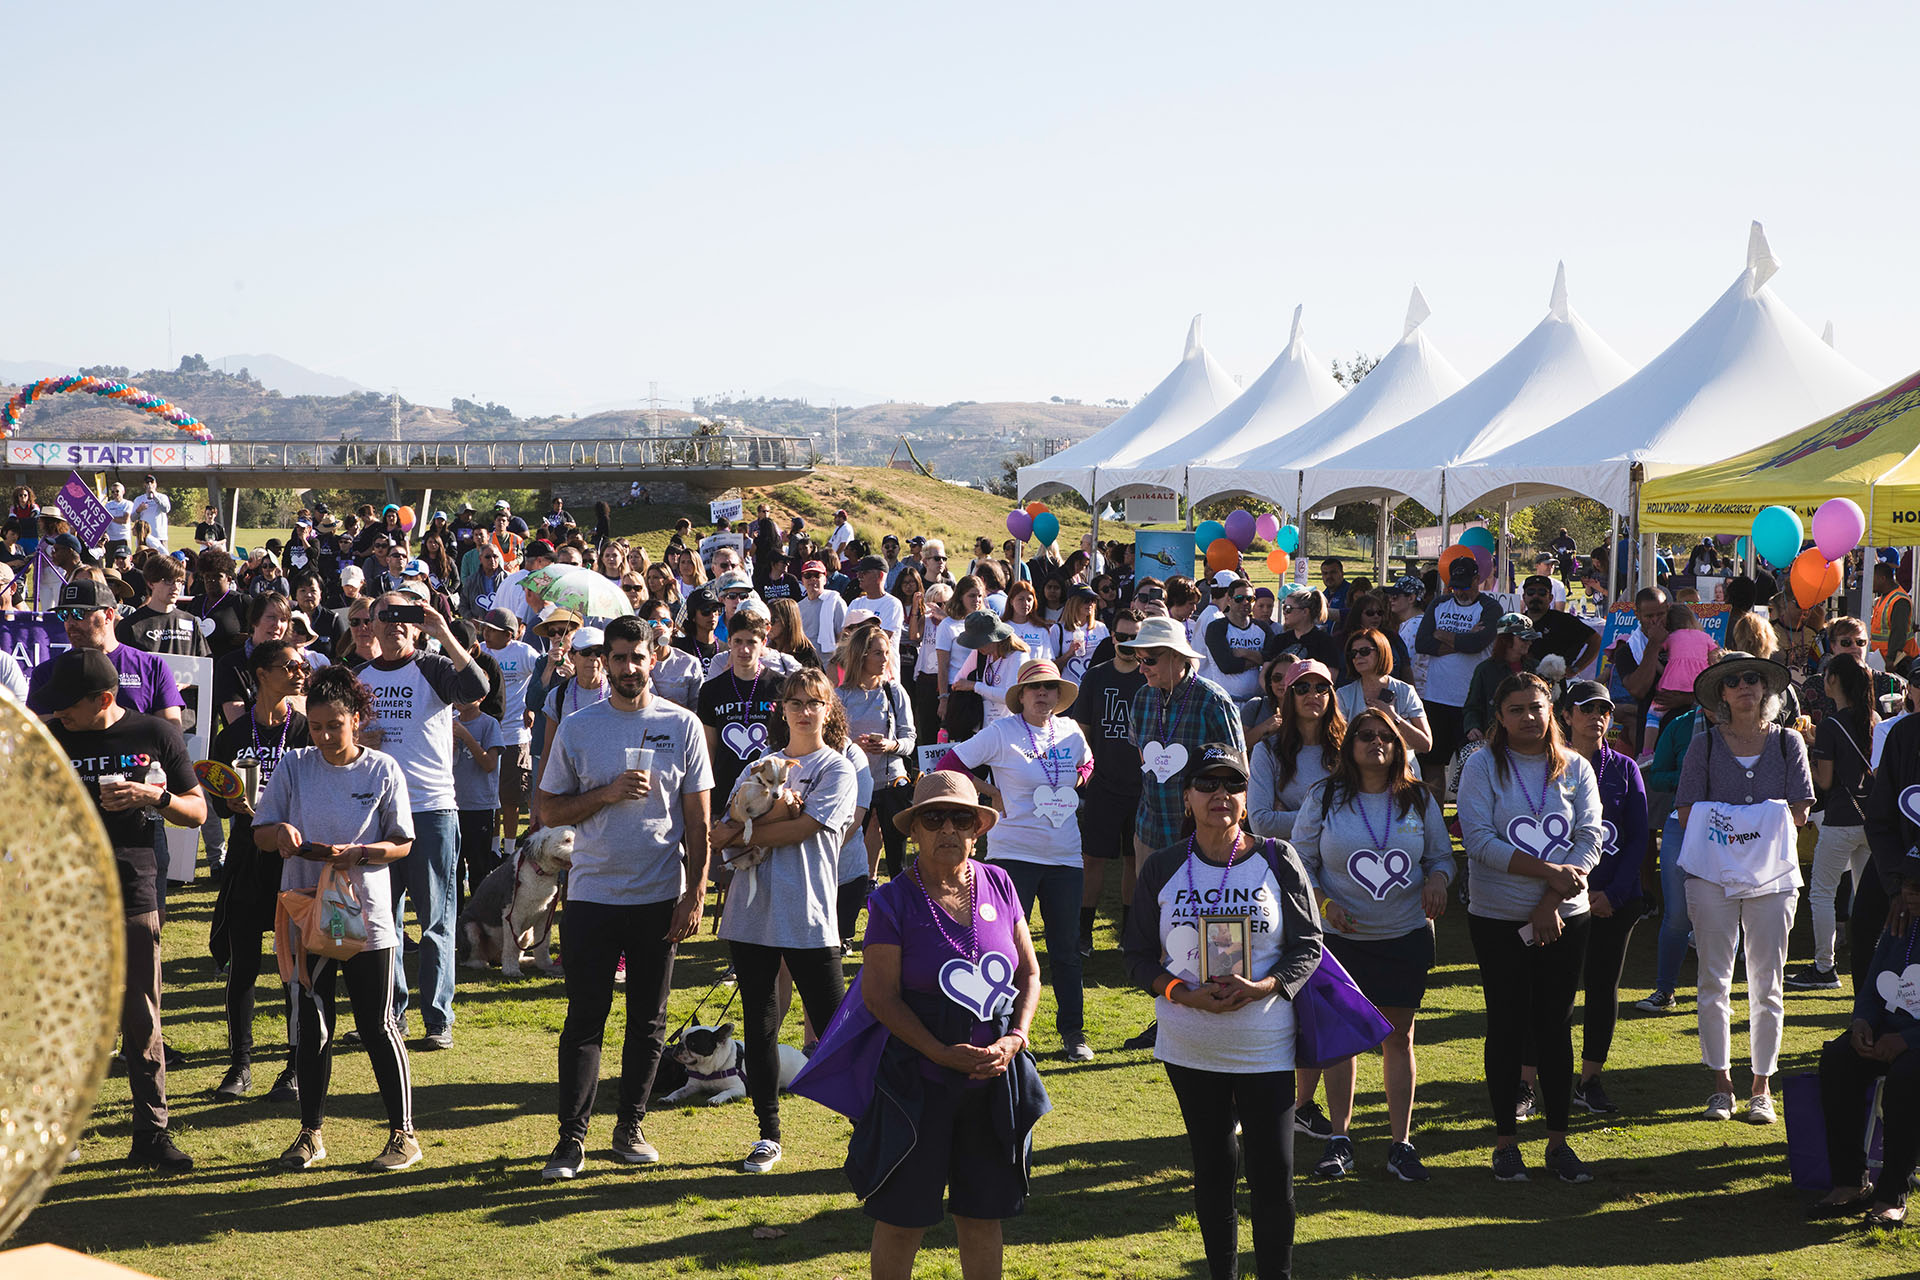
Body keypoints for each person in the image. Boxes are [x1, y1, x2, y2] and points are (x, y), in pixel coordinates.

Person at [1122, 742, 1321, 1280]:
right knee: (1214, 1169)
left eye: (1232, 784)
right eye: (1207, 784)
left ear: (1246, 796)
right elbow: (1136, 955)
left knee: (1273, 1171)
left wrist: (1264, 987)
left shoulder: (1278, 859)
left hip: (1266, 1043)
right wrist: (1179, 993)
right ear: (1186, 796)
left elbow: (1309, 945)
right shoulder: (1164, 865)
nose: (1220, 795)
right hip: (1190, 1045)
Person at [851, 771, 1047, 1280]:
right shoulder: (892, 899)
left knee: (983, 1216)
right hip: (915, 1082)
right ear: (914, 829)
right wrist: (938, 1051)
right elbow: (880, 996)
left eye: (961, 818)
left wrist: (1016, 1038)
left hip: (993, 1080)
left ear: (977, 829)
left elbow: (1029, 972)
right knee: (901, 1219)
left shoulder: (1000, 883)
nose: (948, 830)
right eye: (933, 818)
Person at [537, 616, 713, 1178]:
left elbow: (699, 821)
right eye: (618, 658)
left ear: (653, 658)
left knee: (648, 1021)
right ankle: (570, 1140)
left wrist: (696, 893)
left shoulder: (682, 725)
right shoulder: (579, 726)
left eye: (638, 657)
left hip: (660, 896)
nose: (629, 667)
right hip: (591, 895)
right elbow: (547, 810)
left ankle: (630, 1126)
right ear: (603, 662)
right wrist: (607, 794)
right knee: (585, 1019)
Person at [45, 647, 209, 1171]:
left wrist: (150, 797)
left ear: (105, 699)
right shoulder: (51, 737)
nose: (60, 713)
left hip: (133, 885)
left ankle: (152, 1134)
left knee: (140, 1014)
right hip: (64, 893)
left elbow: (198, 812)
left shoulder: (155, 735)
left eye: (69, 706)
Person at [252, 665, 420, 1172]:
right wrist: (280, 832)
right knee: (311, 1028)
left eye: (336, 726)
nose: (325, 736)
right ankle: (311, 1134)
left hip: (368, 920)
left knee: (377, 1026)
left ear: (356, 719)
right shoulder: (294, 766)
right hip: (306, 914)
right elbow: (260, 833)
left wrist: (365, 853)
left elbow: (403, 842)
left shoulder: (383, 770)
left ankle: (403, 1135)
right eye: (317, 725)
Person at [1289, 710, 1453, 1181]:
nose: (1376, 743)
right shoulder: (1324, 797)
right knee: (1343, 1042)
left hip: (1404, 935)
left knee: (1398, 1038)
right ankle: (1340, 1138)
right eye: (1365, 735)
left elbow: (1441, 856)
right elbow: (1299, 860)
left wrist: (1438, 881)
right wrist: (1322, 902)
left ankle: (1400, 1143)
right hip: (1343, 939)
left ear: (1399, 745)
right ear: (1349, 744)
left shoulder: (1418, 798)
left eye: (1386, 736)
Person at [710, 667, 858, 1173]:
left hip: (810, 912)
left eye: (812, 702)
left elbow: (806, 829)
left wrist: (746, 829)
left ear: (828, 709)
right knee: (761, 1023)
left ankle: (869, 1121)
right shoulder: (762, 763)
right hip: (751, 911)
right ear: (782, 708)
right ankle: (767, 1134)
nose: (802, 710)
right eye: (793, 702)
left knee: (838, 1026)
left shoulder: (837, 768)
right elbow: (725, 822)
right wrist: (760, 821)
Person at [1458, 671, 1604, 1182]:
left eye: (1535, 707)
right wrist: (1547, 875)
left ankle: (1559, 1143)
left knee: (1554, 1026)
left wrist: (1548, 903)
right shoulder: (1482, 767)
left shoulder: (1577, 767)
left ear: (1552, 711)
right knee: (1505, 1024)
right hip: (1498, 917)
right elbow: (1477, 840)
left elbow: (1590, 836)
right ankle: (1505, 1143)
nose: (1527, 717)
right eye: (1515, 709)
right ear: (1499, 716)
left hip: (1565, 919)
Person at [1674, 651, 1814, 1125]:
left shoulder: (1788, 742)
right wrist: (1749, 829)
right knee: (1713, 979)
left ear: (1767, 689)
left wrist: (1738, 829)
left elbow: (1799, 813)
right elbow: (1687, 812)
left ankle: (1761, 1088)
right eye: (1734, 681)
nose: (1745, 686)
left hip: (1772, 877)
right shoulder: (1705, 745)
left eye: (1753, 679)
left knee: (1766, 984)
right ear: (1722, 695)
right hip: (1712, 876)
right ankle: (1720, 1086)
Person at [354, 593, 490, 1049]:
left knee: (435, 921)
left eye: (403, 616)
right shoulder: (360, 678)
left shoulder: (432, 666)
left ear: (415, 626)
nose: (393, 624)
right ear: (369, 624)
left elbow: (477, 689)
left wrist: (443, 631)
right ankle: (390, 1015)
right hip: (378, 814)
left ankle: (438, 1019)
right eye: (383, 616)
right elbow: (332, 735)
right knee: (380, 921)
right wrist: (357, 737)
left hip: (431, 809)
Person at [941, 659, 1094, 1060]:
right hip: (1013, 857)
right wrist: (990, 793)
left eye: (1050, 688)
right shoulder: (1002, 732)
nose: (1043, 694)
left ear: (1059, 696)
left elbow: (1089, 763)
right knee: (1003, 952)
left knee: (1066, 950)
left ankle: (1073, 1034)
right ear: (1020, 696)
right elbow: (950, 763)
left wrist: (1076, 782)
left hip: (1065, 857)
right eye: (1034, 688)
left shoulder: (1071, 731)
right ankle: (1001, 1031)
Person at [1120, 616, 1246, 1051]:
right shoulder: (1141, 698)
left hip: (1203, 838)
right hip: (1151, 828)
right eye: (1137, 658)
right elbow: (1144, 758)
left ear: (1177, 657)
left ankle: (1223, 1006)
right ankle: (1167, 1015)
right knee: (1161, 932)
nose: (1143, 668)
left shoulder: (1213, 700)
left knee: (1209, 928)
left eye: (1150, 658)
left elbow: (1237, 773)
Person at [207, 638, 311, 1103]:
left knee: (296, 969)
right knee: (244, 965)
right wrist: (228, 802)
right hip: (248, 860)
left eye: (302, 665)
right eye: (289, 665)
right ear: (261, 674)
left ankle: (294, 1066)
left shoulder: (307, 730)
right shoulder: (232, 734)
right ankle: (240, 1064)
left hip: (293, 863)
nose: (299, 671)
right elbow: (213, 794)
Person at [1553, 681, 1648, 1117]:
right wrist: (1569, 892)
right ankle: (1529, 1081)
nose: (1597, 717)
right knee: (1551, 989)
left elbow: (1638, 839)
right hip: (1557, 898)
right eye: (1587, 709)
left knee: (1602, 987)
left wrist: (1611, 892)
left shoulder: (1626, 769)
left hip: (1613, 900)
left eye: (1604, 710)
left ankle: (1589, 1080)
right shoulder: (1550, 765)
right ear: (1567, 715)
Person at [1809, 875, 1920, 1226]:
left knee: (1906, 1078)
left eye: (1919, 888)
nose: (1909, 894)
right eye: (1907, 886)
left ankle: (1891, 1196)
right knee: (1839, 1058)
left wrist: (1908, 1040)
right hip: (1889, 1026)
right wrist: (1862, 1023)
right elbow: (1873, 983)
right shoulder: (1900, 922)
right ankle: (1850, 1181)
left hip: (1913, 1040)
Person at [1790, 651, 1877, 991]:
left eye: (1827, 675)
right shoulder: (1873, 719)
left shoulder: (1831, 724)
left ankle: (1825, 967)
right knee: (1867, 894)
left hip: (1841, 818)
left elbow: (1823, 781)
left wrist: (1812, 754)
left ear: (1835, 680)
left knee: (1822, 894)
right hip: (1872, 820)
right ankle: (1872, 963)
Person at [1070, 610, 1146, 953]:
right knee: (1092, 859)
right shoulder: (1096, 677)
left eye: (1134, 637)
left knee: (1135, 860)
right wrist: (1081, 773)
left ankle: (1129, 933)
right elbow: (1081, 733)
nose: (1127, 644)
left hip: (1143, 787)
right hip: (1102, 784)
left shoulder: (1151, 679)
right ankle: (1083, 933)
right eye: (1122, 636)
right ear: (1111, 636)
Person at [835, 620, 916, 880]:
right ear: (861, 655)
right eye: (878, 652)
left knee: (897, 856)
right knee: (850, 848)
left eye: (887, 652)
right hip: (855, 784)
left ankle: (901, 902)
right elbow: (830, 742)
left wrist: (890, 745)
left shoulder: (894, 691)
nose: (885, 658)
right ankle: (860, 889)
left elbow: (910, 738)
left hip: (892, 782)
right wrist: (852, 746)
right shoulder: (841, 696)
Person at [1415, 556, 1502, 790]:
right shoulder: (1439, 604)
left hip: (1472, 703)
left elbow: (1478, 644)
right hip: (1436, 699)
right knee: (1432, 764)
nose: (1461, 593)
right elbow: (1422, 643)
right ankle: (1435, 820)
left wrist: (1441, 633)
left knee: (1472, 765)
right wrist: (1463, 640)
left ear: (1477, 580)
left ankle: (1466, 822)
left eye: (1465, 586)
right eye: (1455, 587)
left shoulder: (1490, 607)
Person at [697, 603, 789, 808]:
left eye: (751, 642)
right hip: (725, 788)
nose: (744, 649)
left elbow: (788, 741)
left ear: (764, 642)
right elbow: (709, 747)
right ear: (729, 641)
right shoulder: (711, 690)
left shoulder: (781, 686)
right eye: (737, 641)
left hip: (770, 790)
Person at [477, 607, 540, 857]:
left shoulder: (523, 652)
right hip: (484, 733)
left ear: (509, 634)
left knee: (510, 799)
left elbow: (543, 677)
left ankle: (510, 850)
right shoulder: (479, 650)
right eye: (484, 628)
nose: (486, 633)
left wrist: (532, 706)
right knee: (488, 799)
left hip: (515, 734)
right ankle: (491, 849)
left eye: (492, 630)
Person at [1337, 626, 1432, 756]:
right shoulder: (1343, 695)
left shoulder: (1406, 691)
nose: (1357, 656)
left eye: (1364, 651)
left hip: (1402, 770)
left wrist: (1393, 717)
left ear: (1381, 652)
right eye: (1353, 654)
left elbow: (1425, 744)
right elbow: (1338, 742)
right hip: (1359, 771)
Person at [1200, 575, 1276, 706]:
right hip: (1225, 701)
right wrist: (1259, 660)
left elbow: (1272, 660)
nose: (1245, 603)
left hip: (1256, 702)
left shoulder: (1263, 628)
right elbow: (1227, 666)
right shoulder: (1216, 627)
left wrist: (1244, 653)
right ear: (1229, 600)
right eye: (1239, 599)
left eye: (1250, 599)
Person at [1463, 614, 1539, 742]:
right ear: (1506, 640)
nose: (1529, 643)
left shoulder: (1537, 668)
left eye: (1531, 638)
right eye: (1523, 639)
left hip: (1532, 737)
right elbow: (1473, 706)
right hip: (1496, 739)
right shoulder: (1485, 670)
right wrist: (1473, 727)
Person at [116, 556, 210, 657]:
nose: (176, 587)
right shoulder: (130, 625)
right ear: (151, 583)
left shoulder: (191, 622)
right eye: (168, 580)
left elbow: (204, 662)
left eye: (180, 581)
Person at [1520, 574, 1603, 677]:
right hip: (1523, 681)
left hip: (1556, 683)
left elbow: (1596, 640)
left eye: (1542, 592)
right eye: (1531, 592)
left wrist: (1576, 669)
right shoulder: (1518, 623)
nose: (1536, 596)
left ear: (1550, 598)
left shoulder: (1564, 621)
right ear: (1524, 597)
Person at [1269, 588, 1341, 671]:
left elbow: (1332, 674)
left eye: (1288, 608)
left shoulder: (1324, 642)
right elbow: (1266, 672)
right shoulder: (1279, 640)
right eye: (1283, 607)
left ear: (1305, 612)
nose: (1284, 612)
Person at [131, 475, 171, 552]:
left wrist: (155, 497)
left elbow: (166, 509)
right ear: (144, 485)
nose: (149, 484)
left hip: (159, 535)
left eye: (151, 482)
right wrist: (139, 510)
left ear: (155, 484)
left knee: (162, 558)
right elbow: (133, 518)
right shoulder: (139, 499)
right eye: (147, 482)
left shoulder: (162, 497)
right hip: (144, 536)